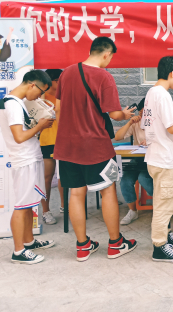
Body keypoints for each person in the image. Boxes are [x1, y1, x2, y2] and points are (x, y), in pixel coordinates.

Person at [55, 36, 137, 262]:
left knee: (76, 193)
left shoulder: (67, 73)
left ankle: (82, 246)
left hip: (67, 146)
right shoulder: (103, 76)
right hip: (96, 146)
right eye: (110, 58)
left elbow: (58, 108)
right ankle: (115, 244)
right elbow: (114, 114)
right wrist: (125, 114)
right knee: (108, 191)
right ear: (106, 54)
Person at [0, 69, 55, 264]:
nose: (39, 96)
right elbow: (19, 137)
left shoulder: (16, 102)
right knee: (22, 206)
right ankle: (18, 251)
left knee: (29, 204)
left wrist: (39, 126)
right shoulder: (13, 104)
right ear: (32, 84)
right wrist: (40, 126)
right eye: (40, 92)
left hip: (30, 157)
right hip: (24, 161)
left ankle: (29, 242)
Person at [142, 56, 173, 262]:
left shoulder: (152, 92)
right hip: (164, 157)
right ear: (172, 73)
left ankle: (166, 236)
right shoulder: (163, 95)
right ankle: (159, 246)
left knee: (163, 200)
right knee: (165, 204)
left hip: (155, 156)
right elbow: (172, 128)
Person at [115, 98, 150, 225]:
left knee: (143, 178)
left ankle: (161, 205)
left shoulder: (158, 123)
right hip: (137, 160)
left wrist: (151, 141)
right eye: (141, 113)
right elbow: (117, 137)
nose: (143, 115)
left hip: (152, 160)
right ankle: (133, 211)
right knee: (125, 181)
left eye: (146, 113)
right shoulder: (136, 124)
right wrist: (129, 123)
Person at [40, 68, 64, 225]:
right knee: (47, 177)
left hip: (64, 140)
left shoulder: (64, 96)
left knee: (63, 176)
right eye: (60, 80)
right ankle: (46, 211)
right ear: (53, 81)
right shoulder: (40, 97)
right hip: (46, 141)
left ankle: (64, 206)